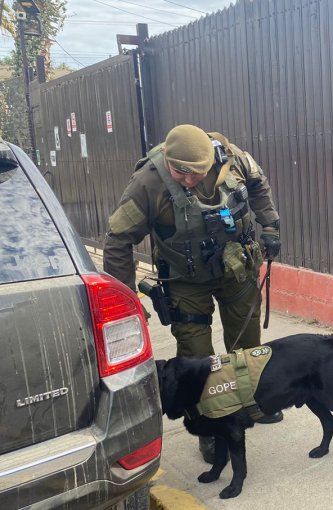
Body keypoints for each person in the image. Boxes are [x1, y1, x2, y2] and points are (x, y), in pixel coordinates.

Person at [103, 124, 284, 462]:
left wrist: (270, 224)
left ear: (209, 161)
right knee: (197, 359)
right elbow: (117, 239)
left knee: (247, 345)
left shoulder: (234, 159)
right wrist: (126, 298)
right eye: (179, 172)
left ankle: (251, 403)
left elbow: (258, 185)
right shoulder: (149, 182)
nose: (186, 179)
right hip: (185, 281)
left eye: (194, 173)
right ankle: (210, 427)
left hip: (237, 269)